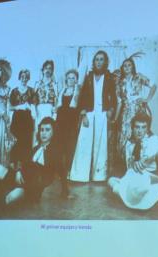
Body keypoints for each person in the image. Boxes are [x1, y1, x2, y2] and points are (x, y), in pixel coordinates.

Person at [107, 112, 158, 209]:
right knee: (111, 180)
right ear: (132, 128)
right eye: (137, 127)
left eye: (143, 127)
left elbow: (156, 146)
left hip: (150, 180)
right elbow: (129, 168)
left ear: (148, 129)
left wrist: (146, 158)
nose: (140, 131)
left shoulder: (152, 141)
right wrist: (133, 164)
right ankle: (130, 196)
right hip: (136, 181)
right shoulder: (128, 144)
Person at [70, 50, 117, 182]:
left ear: (105, 62)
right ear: (93, 62)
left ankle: (99, 176)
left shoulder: (109, 77)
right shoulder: (88, 77)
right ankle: (79, 175)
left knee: (100, 145)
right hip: (89, 112)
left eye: (101, 59)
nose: (99, 62)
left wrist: (111, 110)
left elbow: (113, 97)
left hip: (102, 113)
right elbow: (83, 97)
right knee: (83, 142)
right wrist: (83, 114)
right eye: (96, 59)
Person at [114, 56, 157, 175]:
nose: (127, 67)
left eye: (129, 65)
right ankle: (127, 167)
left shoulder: (139, 77)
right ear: (122, 68)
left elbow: (154, 85)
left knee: (139, 135)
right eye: (125, 66)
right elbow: (119, 101)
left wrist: (147, 99)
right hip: (126, 112)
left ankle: (140, 167)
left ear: (132, 67)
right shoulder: (120, 82)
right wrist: (115, 118)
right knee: (124, 137)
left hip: (138, 111)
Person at [55, 69, 81, 198]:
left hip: (71, 124)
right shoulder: (62, 92)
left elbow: (77, 108)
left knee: (69, 150)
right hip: (60, 124)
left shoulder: (78, 92)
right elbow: (58, 108)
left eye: (73, 78)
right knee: (60, 150)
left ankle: (68, 174)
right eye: (69, 78)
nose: (71, 80)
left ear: (76, 79)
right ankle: (62, 175)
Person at [9, 69, 37, 170]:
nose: (24, 79)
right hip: (17, 119)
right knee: (16, 140)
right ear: (19, 77)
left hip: (27, 119)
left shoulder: (31, 90)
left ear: (28, 79)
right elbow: (10, 107)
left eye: (26, 77)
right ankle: (13, 164)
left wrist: (29, 107)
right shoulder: (14, 91)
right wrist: (18, 107)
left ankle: (23, 166)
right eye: (22, 77)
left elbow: (34, 105)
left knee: (25, 141)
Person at [34, 60, 58, 129]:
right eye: (46, 68)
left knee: (49, 129)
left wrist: (55, 112)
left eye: (50, 68)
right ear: (43, 70)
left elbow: (57, 98)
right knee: (38, 130)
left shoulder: (55, 85)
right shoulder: (37, 84)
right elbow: (34, 99)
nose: (48, 70)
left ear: (52, 71)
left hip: (50, 110)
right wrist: (35, 112)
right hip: (39, 110)